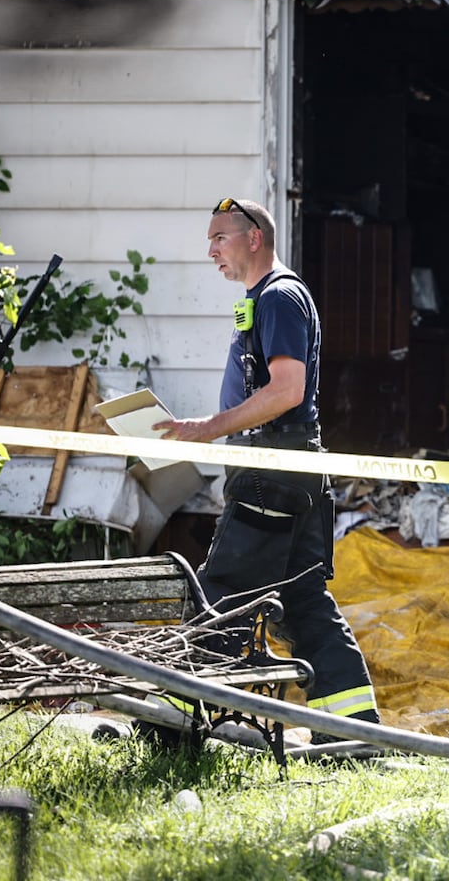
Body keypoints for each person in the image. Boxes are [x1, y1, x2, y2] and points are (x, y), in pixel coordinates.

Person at [156, 197, 379, 738]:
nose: (210, 251)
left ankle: (172, 729)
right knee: (302, 602)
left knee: (222, 597)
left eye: (220, 238)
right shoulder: (262, 300)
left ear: (254, 238)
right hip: (288, 469)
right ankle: (355, 730)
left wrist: (211, 425)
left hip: (272, 473)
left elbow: (287, 390)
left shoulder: (278, 296)